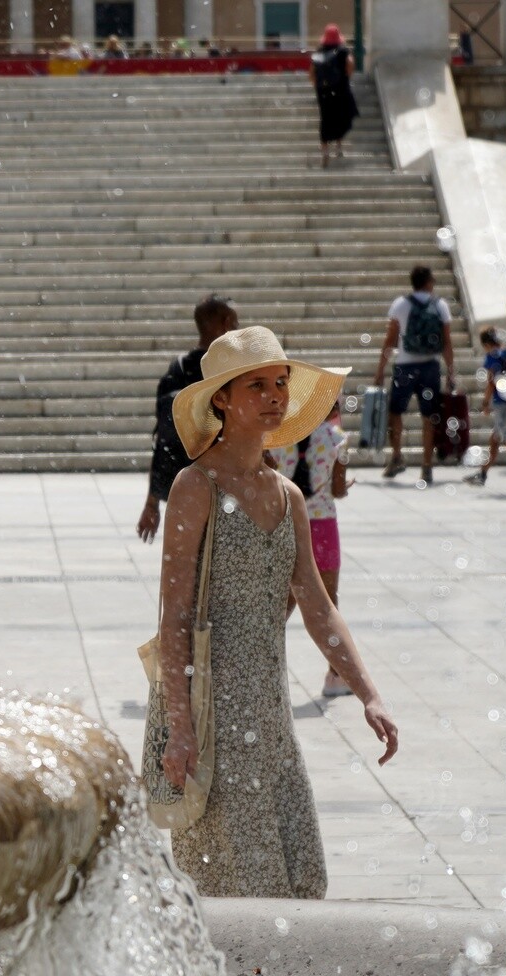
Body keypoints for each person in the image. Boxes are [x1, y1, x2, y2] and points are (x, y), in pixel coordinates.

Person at [151, 326, 398, 897]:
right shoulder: (197, 487)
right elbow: (175, 615)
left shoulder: (287, 495)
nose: (273, 396)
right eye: (256, 385)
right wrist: (180, 729)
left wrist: (369, 694)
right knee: (241, 890)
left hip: (270, 715)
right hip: (213, 716)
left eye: (280, 384)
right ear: (221, 399)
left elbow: (317, 605)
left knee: (302, 881)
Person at [138, 294, 239, 542]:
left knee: (189, 570)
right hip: (232, 490)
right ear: (226, 323)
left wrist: (152, 502)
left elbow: (163, 440)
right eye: (236, 324)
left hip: (187, 488)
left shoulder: (179, 370)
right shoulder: (234, 373)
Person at [270, 399, 353, 696]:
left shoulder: (280, 437)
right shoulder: (337, 439)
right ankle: (335, 675)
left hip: (289, 524)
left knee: (283, 602)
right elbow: (338, 490)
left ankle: (260, 661)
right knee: (328, 603)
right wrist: (345, 485)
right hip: (323, 526)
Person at [374, 265, 456, 484]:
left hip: (405, 366)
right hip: (431, 366)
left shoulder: (401, 304)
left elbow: (390, 340)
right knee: (429, 417)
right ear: (429, 282)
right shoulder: (440, 305)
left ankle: (397, 456)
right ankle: (427, 466)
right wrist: (451, 372)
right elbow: (447, 342)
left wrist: (380, 369)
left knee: (395, 412)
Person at [463, 327, 506, 493]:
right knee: (495, 440)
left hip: (501, 403)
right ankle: (483, 473)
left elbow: (491, 381)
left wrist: (486, 402)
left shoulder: (491, 357)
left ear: (486, 344)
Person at [310, 24, 357, 168]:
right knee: (341, 116)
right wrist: (345, 78)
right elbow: (350, 64)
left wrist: (318, 85)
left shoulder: (319, 51)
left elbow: (311, 72)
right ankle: (339, 146)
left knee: (325, 118)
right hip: (340, 88)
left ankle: (325, 152)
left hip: (323, 90)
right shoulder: (343, 51)